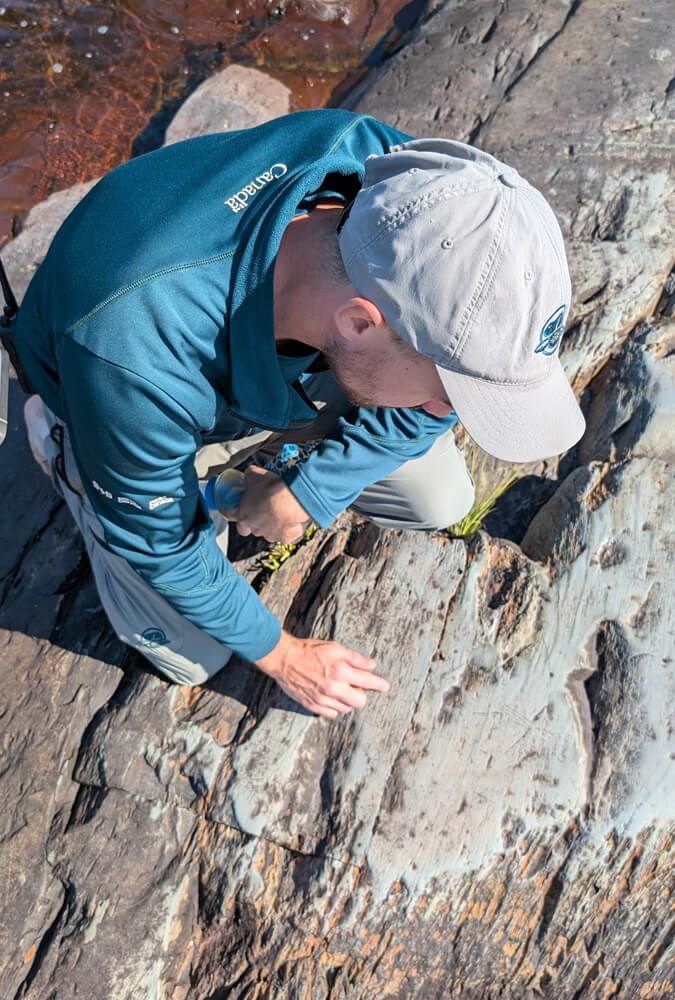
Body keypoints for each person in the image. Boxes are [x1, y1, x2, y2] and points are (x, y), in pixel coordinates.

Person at [15, 108, 585, 719]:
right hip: (122, 382)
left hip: (276, 354)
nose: (448, 414)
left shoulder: (426, 197)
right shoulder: (133, 344)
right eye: (451, 393)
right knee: (195, 654)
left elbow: (438, 380)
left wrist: (307, 491)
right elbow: (161, 544)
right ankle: (64, 444)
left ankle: (238, 468)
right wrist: (284, 656)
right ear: (361, 321)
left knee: (438, 499)